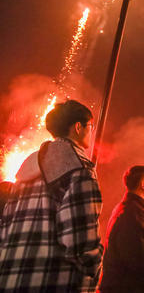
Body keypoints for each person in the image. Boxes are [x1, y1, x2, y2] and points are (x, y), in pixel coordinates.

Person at [0, 99, 103, 292]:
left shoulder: (24, 172)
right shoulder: (79, 170)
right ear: (78, 127)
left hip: (12, 280)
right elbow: (81, 243)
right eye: (91, 126)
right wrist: (94, 266)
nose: (92, 131)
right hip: (53, 281)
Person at [99, 165, 144, 293]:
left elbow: (135, 248)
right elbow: (142, 263)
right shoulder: (134, 214)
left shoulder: (125, 208)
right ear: (143, 185)